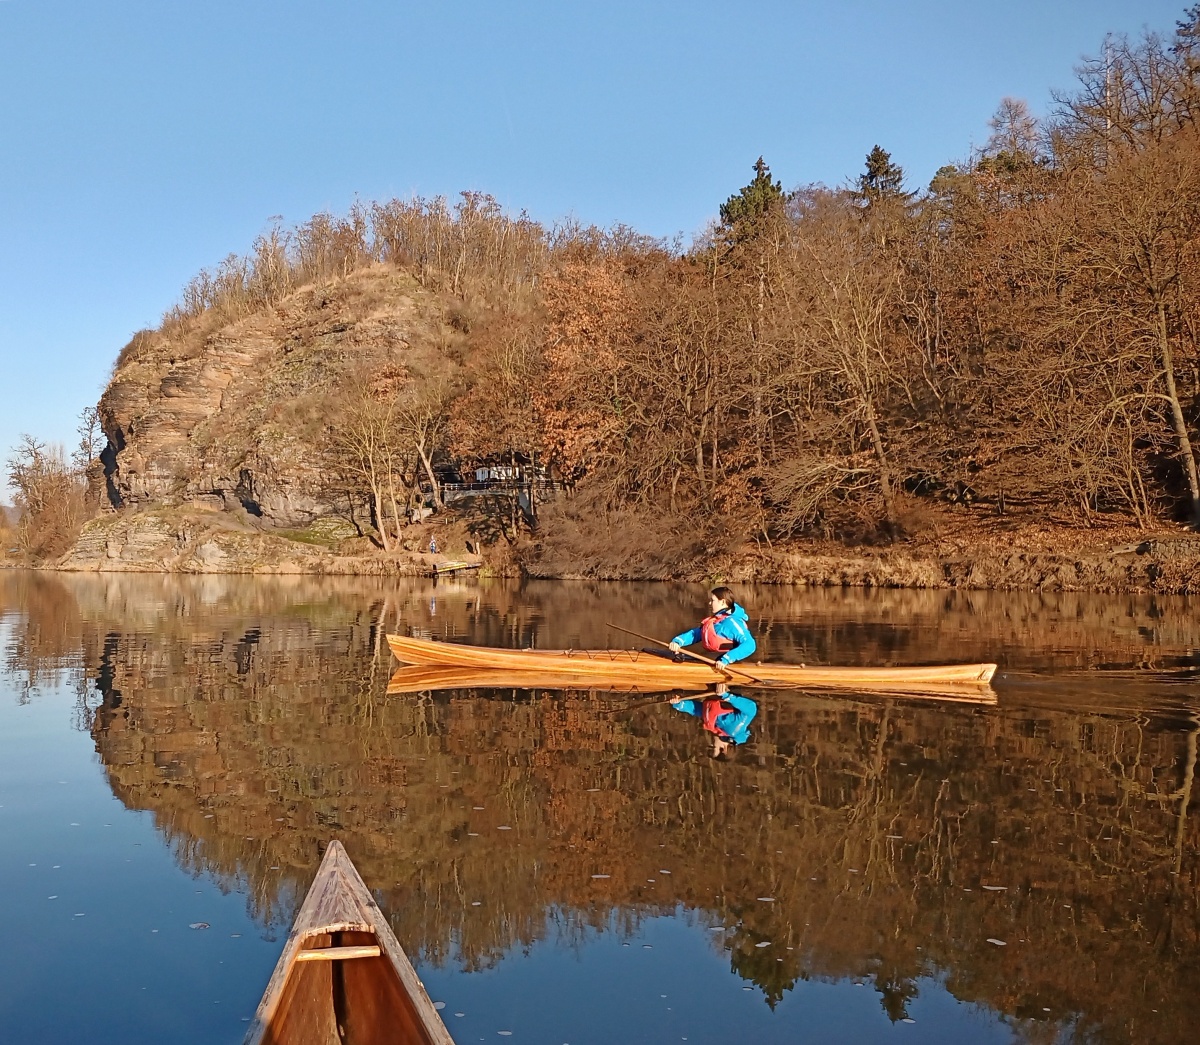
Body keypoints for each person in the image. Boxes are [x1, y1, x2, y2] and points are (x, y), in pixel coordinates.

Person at [668, 586, 756, 669]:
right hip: (712, 657)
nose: (710, 603)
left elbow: (750, 645)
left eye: (712, 600)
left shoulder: (732, 622)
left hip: (725, 662)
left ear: (722, 602)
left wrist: (727, 659)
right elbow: (696, 634)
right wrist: (678, 642)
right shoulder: (716, 619)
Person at [670, 683, 758, 760]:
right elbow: (751, 709)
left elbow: (698, 710)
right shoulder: (734, 729)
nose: (711, 743)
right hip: (726, 686)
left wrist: (679, 704)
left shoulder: (718, 730)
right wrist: (727, 696)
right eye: (713, 747)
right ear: (724, 749)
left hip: (712, 689)